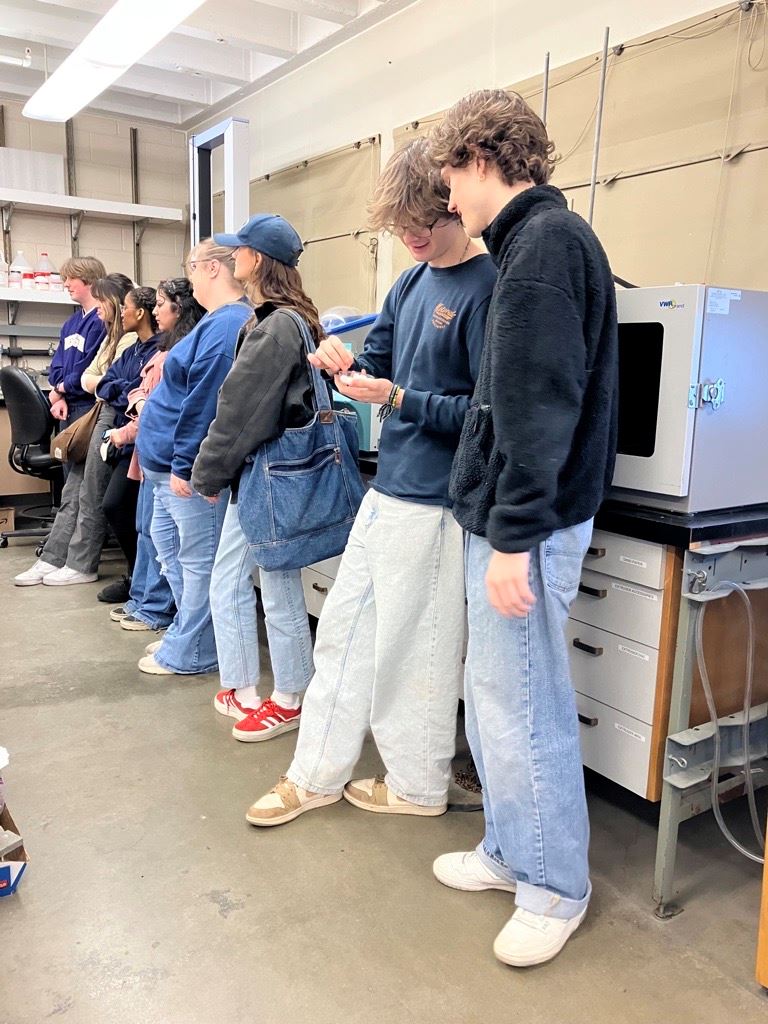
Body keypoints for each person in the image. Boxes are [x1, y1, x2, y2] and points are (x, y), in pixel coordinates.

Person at [246, 138, 496, 825]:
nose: (412, 238)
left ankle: (418, 786)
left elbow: (484, 413)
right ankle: (315, 774)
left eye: (424, 224)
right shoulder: (410, 283)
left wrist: (395, 399)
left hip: (438, 502)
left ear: (454, 205)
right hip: (389, 491)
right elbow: (379, 359)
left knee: (416, 651)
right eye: (401, 228)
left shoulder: (488, 286)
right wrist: (340, 361)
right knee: (346, 632)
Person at [428, 89, 619, 967]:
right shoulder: (534, 246)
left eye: (450, 178)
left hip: (527, 527)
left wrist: (512, 539)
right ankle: (513, 852)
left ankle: (554, 886)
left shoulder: (542, 249)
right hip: (516, 518)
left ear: (481, 158)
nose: (448, 198)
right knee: (499, 699)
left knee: (525, 704)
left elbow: (540, 408)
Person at [191, 215, 315, 741]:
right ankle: (247, 686)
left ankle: (287, 697)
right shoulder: (278, 321)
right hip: (264, 475)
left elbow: (240, 410)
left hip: (264, 475)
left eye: (239, 249)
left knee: (276, 585)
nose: (231, 255)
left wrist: (207, 472)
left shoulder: (275, 326)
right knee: (252, 581)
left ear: (256, 260)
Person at [135, 241, 252, 676]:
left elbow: (206, 404)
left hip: (180, 470)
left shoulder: (226, 326)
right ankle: (189, 633)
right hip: (163, 467)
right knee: (174, 557)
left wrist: (187, 466)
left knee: (198, 563)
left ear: (212, 269)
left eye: (193, 268)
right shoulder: (214, 322)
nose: (192, 277)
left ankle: (195, 650)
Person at [13, 274, 137, 588]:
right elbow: (90, 377)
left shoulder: (129, 340)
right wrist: (96, 383)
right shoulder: (112, 336)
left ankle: (82, 564)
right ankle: (52, 558)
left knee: (91, 492)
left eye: (103, 303)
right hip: (97, 411)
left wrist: (98, 383)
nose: (98, 311)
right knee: (72, 491)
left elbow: (108, 382)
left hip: (116, 418)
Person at [107, 279, 206, 627]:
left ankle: (164, 614)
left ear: (178, 309)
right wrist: (135, 397)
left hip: (172, 465)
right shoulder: (163, 351)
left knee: (184, 554)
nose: (157, 310)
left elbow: (179, 412)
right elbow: (114, 384)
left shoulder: (180, 354)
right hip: (153, 461)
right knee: (157, 541)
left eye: (161, 303)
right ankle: (162, 613)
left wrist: (137, 403)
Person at [93, 287, 163, 597]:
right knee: (119, 509)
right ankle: (137, 576)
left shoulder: (161, 351)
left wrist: (131, 394)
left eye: (126, 308)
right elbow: (107, 385)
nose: (121, 313)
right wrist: (130, 394)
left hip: (144, 443)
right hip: (125, 441)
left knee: (125, 510)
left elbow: (144, 394)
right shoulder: (132, 350)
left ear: (141, 313)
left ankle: (144, 580)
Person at [47, 256, 107, 432]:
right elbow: (57, 364)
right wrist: (60, 397)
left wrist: (60, 390)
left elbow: (87, 367)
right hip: (67, 405)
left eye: (71, 278)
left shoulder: (101, 321)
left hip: (88, 405)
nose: (66, 284)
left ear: (89, 280)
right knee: (67, 458)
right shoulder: (70, 323)